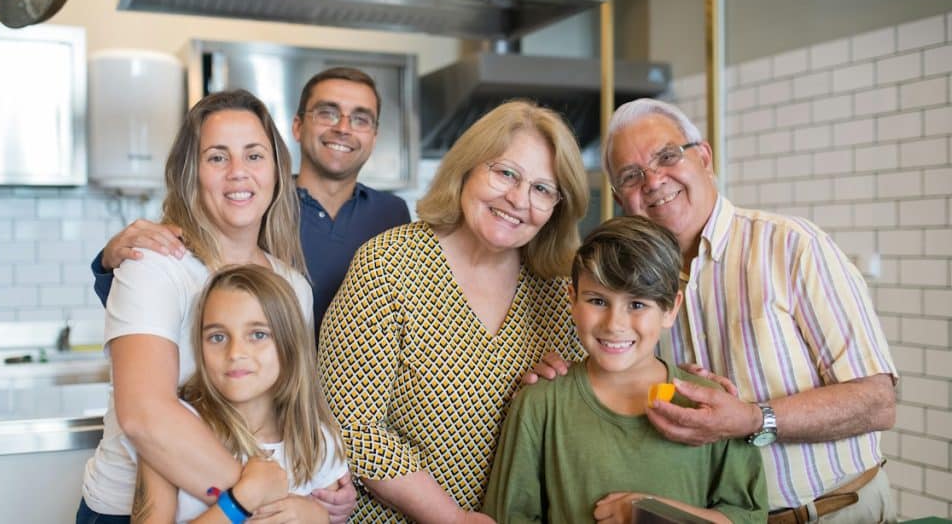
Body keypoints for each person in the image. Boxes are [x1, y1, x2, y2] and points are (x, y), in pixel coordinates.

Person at [531, 98, 898, 523]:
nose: (652, 181)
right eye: (631, 176)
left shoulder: (791, 246)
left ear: (703, 157)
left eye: (667, 156)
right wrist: (557, 377)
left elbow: (877, 402)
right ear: (618, 197)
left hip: (835, 512)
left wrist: (751, 418)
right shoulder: (634, 286)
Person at [76, 89, 353, 523]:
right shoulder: (155, 265)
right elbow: (144, 417)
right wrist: (256, 499)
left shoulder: (292, 286)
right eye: (217, 157)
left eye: (255, 156)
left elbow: (289, 402)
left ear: (278, 172)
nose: (238, 173)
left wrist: (323, 487)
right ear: (192, 174)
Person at [317, 99, 590, 523]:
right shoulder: (389, 263)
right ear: (467, 168)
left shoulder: (559, 292)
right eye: (506, 173)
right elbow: (354, 428)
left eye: (542, 188)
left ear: (557, 207)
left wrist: (553, 400)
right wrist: (451, 519)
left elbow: (583, 421)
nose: (518, 199)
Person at [482, 215, 767, 524]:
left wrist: (648, 514)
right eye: (597, 301)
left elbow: (745, 516)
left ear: (671, 308)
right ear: (573, 300)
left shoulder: (712, 406)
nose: (614, 324)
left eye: (637, 305)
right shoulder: (539, 405)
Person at [91, 67, 411, 335]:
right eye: (328, 113)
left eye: (360, 119)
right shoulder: (249, 204)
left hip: (355, 399)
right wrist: (111, 260)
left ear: (374, 135)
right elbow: (166, 289)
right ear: (297, 127)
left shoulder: (391, 214)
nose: (343, 128)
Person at [130, 265, 347, 523]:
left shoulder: (318, 442)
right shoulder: (173, 430)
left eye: (257, 334)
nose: (235, 353)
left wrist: (317, 517)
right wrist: (240, 501)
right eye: (218, 337)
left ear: (290, 344)